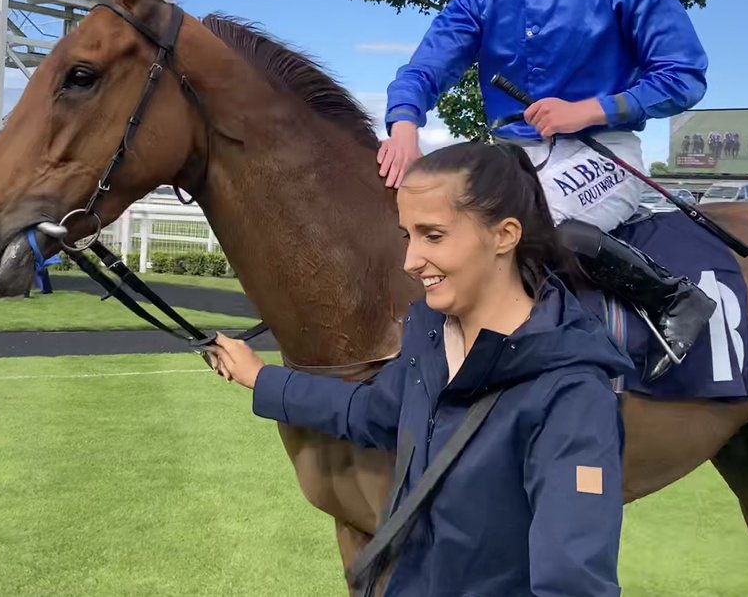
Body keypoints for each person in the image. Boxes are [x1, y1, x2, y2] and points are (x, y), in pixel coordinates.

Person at [211, 142, 630, 596]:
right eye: (408, 235)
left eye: (433, 236)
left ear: (505, 235)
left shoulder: (572, 397)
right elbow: (371, 411)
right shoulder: (429, 336)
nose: (410, 262)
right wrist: (260, 377)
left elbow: (573, 585)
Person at [376, 0, 713, 381]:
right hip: (511, 156)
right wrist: (405, 124)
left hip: (603, 151)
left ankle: (672, 298)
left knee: (517, 231)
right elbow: (425, 67)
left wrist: (589, 110)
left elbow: (684, 76)